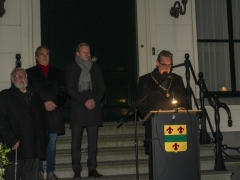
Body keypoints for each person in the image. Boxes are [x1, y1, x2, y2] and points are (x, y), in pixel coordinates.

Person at [26, 45, 67, 180]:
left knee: (51, 143)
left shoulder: (58, 72)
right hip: (38, 113)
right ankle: (39, 172)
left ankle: (50, 172)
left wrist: (55, 103)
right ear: (37, 57)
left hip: (54, 113)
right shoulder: (30, 73)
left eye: (47, 54)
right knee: (38, 143)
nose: (45, 56)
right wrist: (41, 104)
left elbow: (63, 91)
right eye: (42, 54)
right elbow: (29, 92)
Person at [66, 43, 106, 178]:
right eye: (84, 52)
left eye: (88, 52)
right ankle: (77, 169)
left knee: (93, 143)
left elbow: (102, 88)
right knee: (76, 142)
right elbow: (70, 89)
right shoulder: (71, 68)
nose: (87, 55)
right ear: (77, 53)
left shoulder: (96, 68)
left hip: (93, 109)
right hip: (78, 108)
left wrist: (94, 100)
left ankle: (92, 168)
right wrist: (84, 101)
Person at [136, 50, 189, 154]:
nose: (167, 67)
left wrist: (179, 112)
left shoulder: (177, 80)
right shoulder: (145, 80)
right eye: (164, 64)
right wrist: (153, 118)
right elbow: (141, 104)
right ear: (157, 63)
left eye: (169, 65)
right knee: (157, 157)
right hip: (154, 125)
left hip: (175, 125)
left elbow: (184, 101)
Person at [0, 67, 48, 180]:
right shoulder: (5, 96)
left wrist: (43, 140)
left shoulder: (36, 97)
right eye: (17, 76)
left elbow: (44, 120)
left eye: (23, 76)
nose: (21, 78)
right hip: (16, 147)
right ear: (12, 80)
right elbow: (1, 121)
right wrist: (11, 139)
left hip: (34, 148)